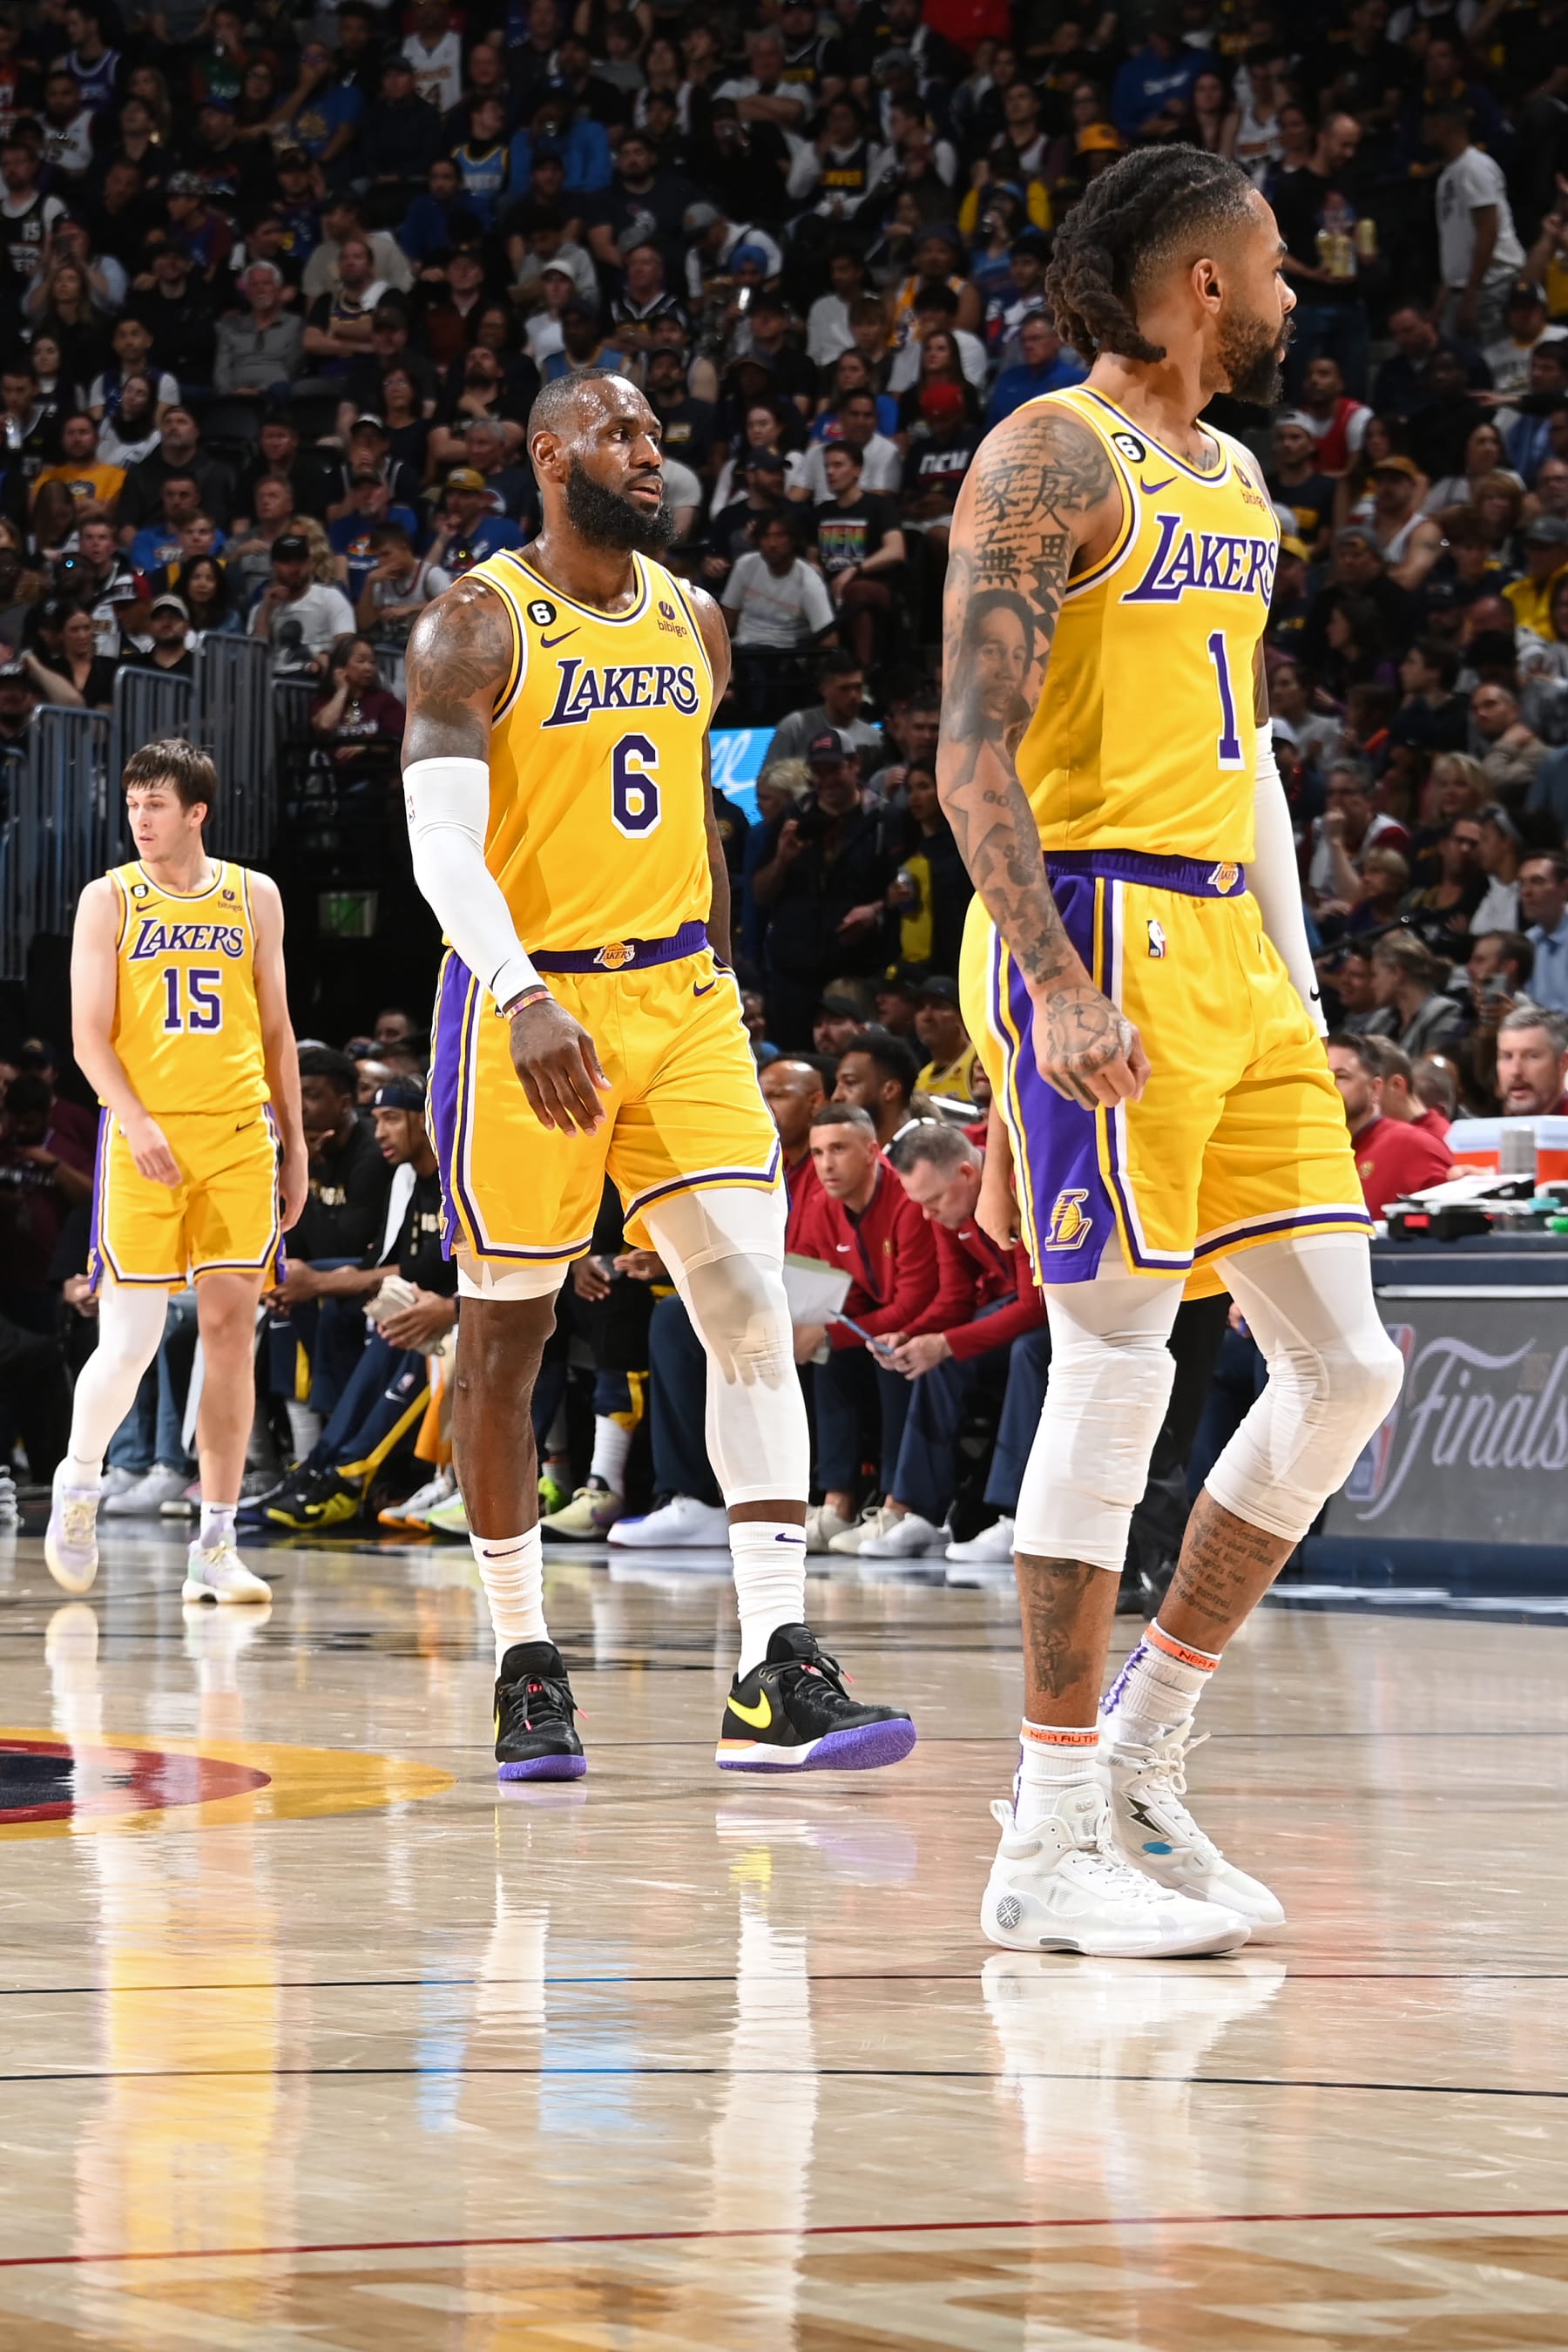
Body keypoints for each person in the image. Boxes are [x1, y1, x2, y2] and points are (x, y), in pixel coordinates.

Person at [936, 146, 1404, 1959]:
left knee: (1345, 1369)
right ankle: (1045, 1836)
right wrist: (1051, 991)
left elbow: (1251, 752)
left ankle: (1140, 1759)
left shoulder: (1245, 480)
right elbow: (972, 757)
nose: (1290, 291)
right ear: (1203, 282)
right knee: (1119, 1364)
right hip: (1097, 920)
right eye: (1273, 264)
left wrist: (1305, 990)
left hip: (1230, 948)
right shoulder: (1049, 456)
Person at [402, 366, 915, 1782]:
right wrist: (521, 994)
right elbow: (441, 846)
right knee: (507, 1339)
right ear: (547, 453)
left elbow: (693, 820)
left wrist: (728, 990)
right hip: (527, 1002)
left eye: (655, 433)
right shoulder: (473, 624)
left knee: (751, 1303)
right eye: (618, 432)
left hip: (682, 999)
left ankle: (775, 1664)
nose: (649, 452)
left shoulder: (695, 619)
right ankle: (524, 1660)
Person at [44, 740, 307, 1605]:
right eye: (132, 805)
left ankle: (216, 1545)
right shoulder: (109, 899)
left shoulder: (254, 896)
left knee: (232, 1337)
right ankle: (80, 1481)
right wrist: (136, 1118)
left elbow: (277, 1032)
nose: (140, 820)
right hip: (143, 1139)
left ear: (198, 811)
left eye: (155, 804)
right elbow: (88, 1037)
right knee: (130, 1342)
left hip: (238, 1137)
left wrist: (296, 1145)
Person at [1326, 1035, 1455, 1213]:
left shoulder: (1413, 1145)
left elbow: (1452, 1221)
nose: (1328, 1086)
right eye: (1322, 1078)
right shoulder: (1316, 1153)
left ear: (1375, 1088)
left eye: (1341, 1076)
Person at [1494, 1007, 1568, 1116]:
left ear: (1563, 1063)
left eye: (1532, 1056)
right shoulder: (1488, 1124)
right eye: (1507, 1057)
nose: (1515, 1071)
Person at [1519, 851, 1568, 1015]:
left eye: (1537, 882)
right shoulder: (1528, 941)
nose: (1526, 892)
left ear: (1565, 888)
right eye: (1522, 883)